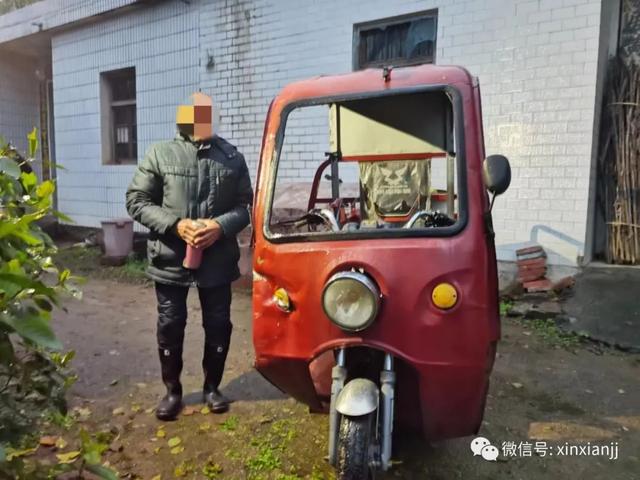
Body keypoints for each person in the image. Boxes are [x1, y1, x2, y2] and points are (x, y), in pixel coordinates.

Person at [125, 92, 252, 420]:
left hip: (217, 258)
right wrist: (176, 225)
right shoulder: (160, 153)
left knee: (219, 324)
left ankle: (212, 388)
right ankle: (173, 391)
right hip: (170, 257)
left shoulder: (232, 158)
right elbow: (137, 200)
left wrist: (220, 226)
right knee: (170, 324)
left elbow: (245, 207)